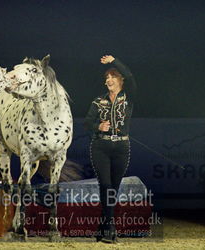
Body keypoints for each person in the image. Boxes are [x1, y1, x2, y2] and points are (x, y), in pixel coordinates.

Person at [84, 54, 137, 243]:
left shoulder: (128, 96)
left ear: (120, 80)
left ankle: (102, 226)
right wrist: (98, 126)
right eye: (106, 78)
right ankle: (110, 229)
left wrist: (114, 62)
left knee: (113, 188)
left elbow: (130, 76)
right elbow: (87, 123)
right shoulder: (99, 100)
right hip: (100, 147)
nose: (108, 80)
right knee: (106, 186)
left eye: (112, 76)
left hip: (122, 147)